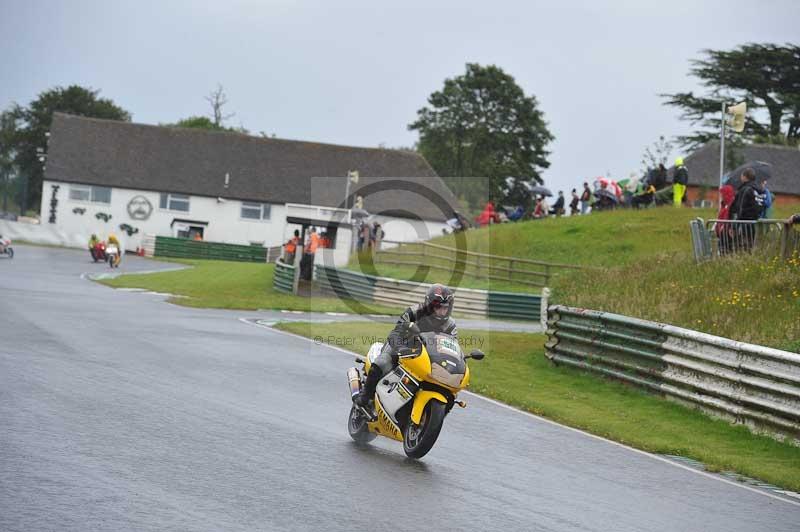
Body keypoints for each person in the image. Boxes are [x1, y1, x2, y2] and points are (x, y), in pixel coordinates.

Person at [354, 284, 458, 410]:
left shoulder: (451, 326)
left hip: (427, 355)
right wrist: (399, 349)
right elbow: (396, 333)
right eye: (438, 307)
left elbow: (452, 346)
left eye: (445, 308)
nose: (441, 311)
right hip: (402, 346)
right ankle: (365, 396)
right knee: (382, 362)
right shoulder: (414, 312)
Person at [730, 168, 761, 251]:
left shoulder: (746, 189)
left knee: (742, 248)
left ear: (745, 177)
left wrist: (734, 226)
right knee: (750, 247)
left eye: (741, 175)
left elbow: (740, 208)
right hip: (755, 223)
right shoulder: (758, 190)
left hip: (744, 224)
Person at [715, 185, 736, 255]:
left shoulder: (731, 204)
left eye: (722, 194)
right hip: (722, 233)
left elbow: (727, 217)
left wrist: (722, 228)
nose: (721, 196)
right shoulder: (724, 204)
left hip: (726, 232)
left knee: (726, 251)